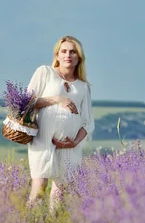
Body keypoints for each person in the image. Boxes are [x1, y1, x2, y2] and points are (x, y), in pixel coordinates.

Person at [25, 35, 95, 211]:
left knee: (60, 193)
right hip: (43, 140)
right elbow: (26, 103)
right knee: (39, 188)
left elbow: (87, 122)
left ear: (79, 57)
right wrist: (56, 99)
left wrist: (75, 142)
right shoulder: (45, 72)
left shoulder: (83, 86)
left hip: (69, 145)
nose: (68, 55)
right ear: (57, 55)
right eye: (63, 51)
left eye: (73, 52)